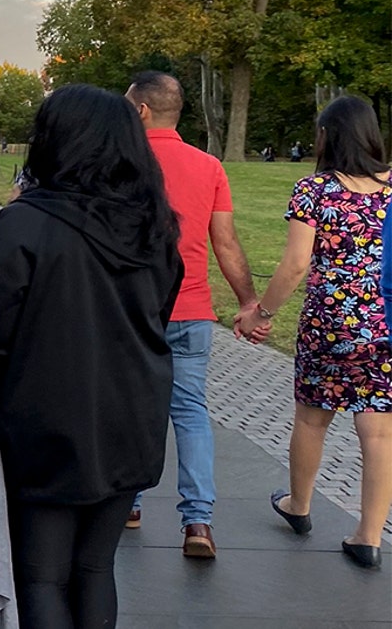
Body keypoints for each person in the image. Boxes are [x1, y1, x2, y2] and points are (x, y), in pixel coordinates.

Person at [0, 84, 183, 628]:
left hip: (46, 418)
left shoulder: (25, 222)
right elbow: (160, 313)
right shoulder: (155, 225)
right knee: (94, 568)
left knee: (41, 576)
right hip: (134, 413)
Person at [238, 96, 392, 571]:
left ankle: (299, 506)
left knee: (310, 420)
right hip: (385, 323)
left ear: (329, 135)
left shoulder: (315, 190)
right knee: (380, 431)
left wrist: (261, 313)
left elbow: (296, 264)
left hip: (329, 324)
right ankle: (368, 536)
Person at [124, 72, 259, 558]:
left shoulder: (122, 165)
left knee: (134, 406)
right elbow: (225, 242)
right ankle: (198, 521)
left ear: (140, 111)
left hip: (133, 308)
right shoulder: (208, 167)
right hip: (193, 307)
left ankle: (131, 503)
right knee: (190, 412)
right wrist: (248, 303)